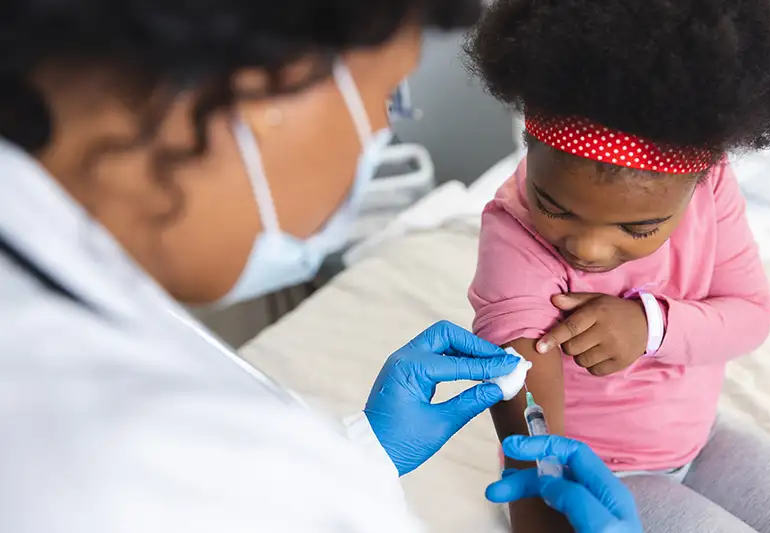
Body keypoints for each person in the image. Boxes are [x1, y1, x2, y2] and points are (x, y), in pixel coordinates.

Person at [0, 1, 642, 532]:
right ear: (261, 92)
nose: (380, 133)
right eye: (390, 96)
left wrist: (367, 451)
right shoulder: (130, 455)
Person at [464, 0, 770, 532]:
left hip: (703, 439)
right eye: (554, 205)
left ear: (697, 183)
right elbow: (522, 394)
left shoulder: (711, 187)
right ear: (530, 147)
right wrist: (535, 505)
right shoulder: (514, 234)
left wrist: (650, 326)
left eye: (639, 228)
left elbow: (751, 315)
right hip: (600, 475)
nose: (590, 250)